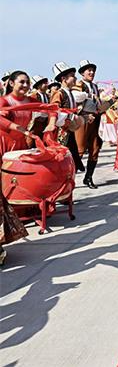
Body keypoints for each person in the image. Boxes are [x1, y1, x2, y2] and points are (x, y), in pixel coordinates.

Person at [0, 71, 38, 265]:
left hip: (21, 144)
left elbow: (49, 111)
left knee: (20, 179)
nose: (25, 85)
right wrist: (19, 128)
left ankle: (22, 212)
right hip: (4, 144)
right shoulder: (4, 101)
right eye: (21, 82)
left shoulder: (31, 100)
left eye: (27, 82)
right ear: (11, 83)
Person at [49, 62, 84, 172]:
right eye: (72, 76)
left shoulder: (70, 93)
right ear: (64, 78)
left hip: (69, 129)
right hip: (61, 131)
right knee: (63, 158)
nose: (75, 78)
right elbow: (54, 110)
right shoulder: (59, 93)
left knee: (72, 157)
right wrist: (69, 118)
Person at [74, 60, 103, 189]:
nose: (92, 73)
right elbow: (76, 98)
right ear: (82, 73)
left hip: (94, 119)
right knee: (79, 150)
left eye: (93, 70)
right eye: (89, 70)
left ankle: (88, 177)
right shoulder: (79, 84)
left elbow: (98, 103)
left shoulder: (95, 86)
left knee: (95, 148)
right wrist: (88, 95)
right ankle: (70, 180)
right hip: (83, 119)